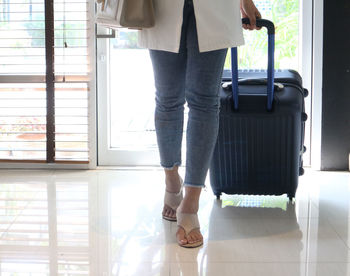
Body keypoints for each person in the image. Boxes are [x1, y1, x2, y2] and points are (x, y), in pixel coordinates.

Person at [137, 0, 261, 248]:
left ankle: (190, 202)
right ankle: (172, 180)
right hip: (162, 5)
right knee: (168, 99)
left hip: (216, 6)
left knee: (205, 102)